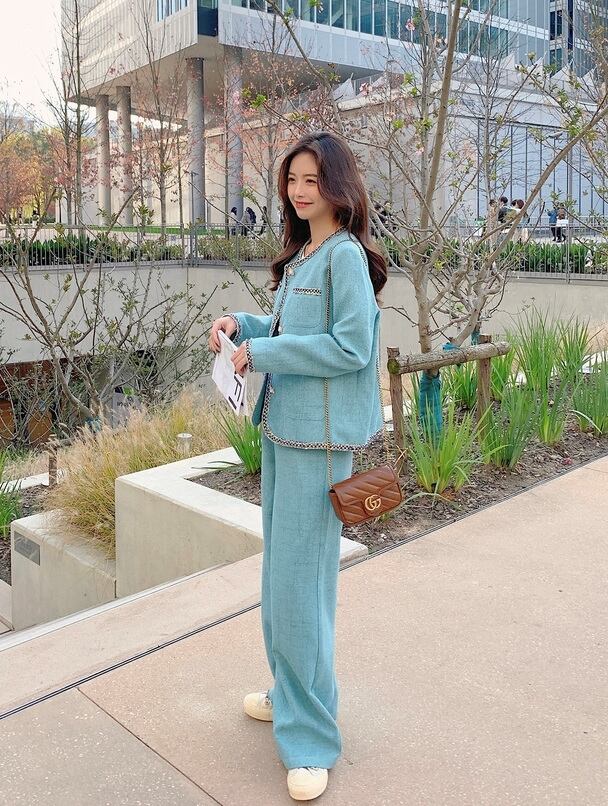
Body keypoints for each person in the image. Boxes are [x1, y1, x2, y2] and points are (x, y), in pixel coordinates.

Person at [208, 131, 387, 802]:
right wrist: (243, 325)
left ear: (338, 185)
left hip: (321, 446)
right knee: (281, 579)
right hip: (285, 435)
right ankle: (290, 692)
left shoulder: (345, 257)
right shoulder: (307, 253)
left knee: (302, 589)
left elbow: (350, 347)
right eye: (293, 180)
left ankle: (311, 739)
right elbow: (290, 329)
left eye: (313, 179)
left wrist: (266, 355)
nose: (300, 190)